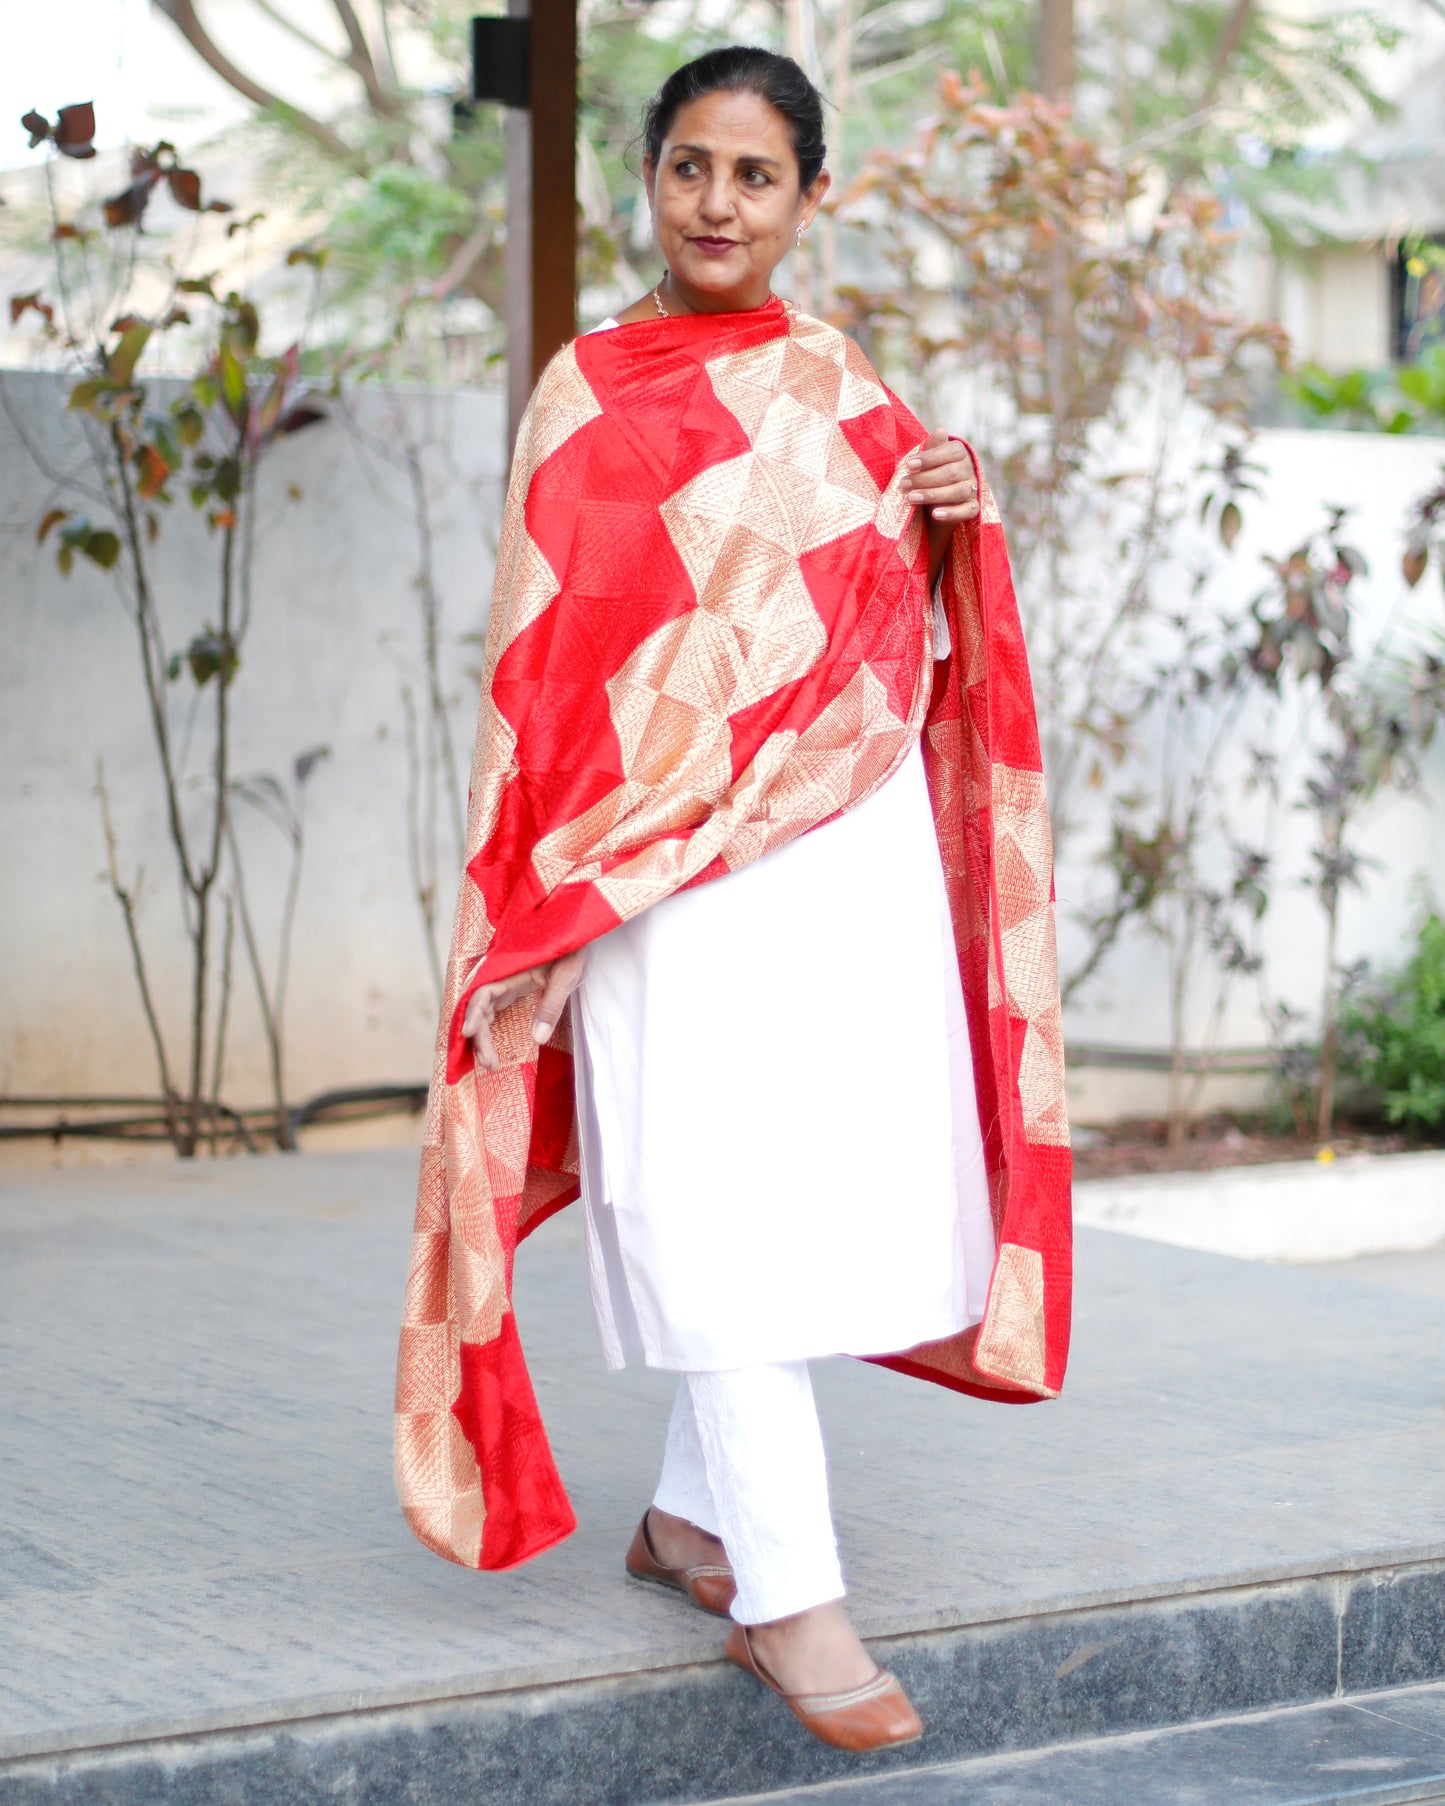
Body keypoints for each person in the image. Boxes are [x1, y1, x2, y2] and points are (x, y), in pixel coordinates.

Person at [394, 45, 1073, 1758]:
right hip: (654, 873)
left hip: (836, 864)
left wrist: (951, 510)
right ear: (649, 178)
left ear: (808, 196)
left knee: (812, 1189)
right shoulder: (592, 388)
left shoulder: (842, 385)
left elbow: (881, 620)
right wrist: (549, 906)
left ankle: (691, 1520)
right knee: (711, 1195)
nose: (717, 203)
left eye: (754, 175)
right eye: (689, 166)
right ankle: (789, 1587)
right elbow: (555, 670)